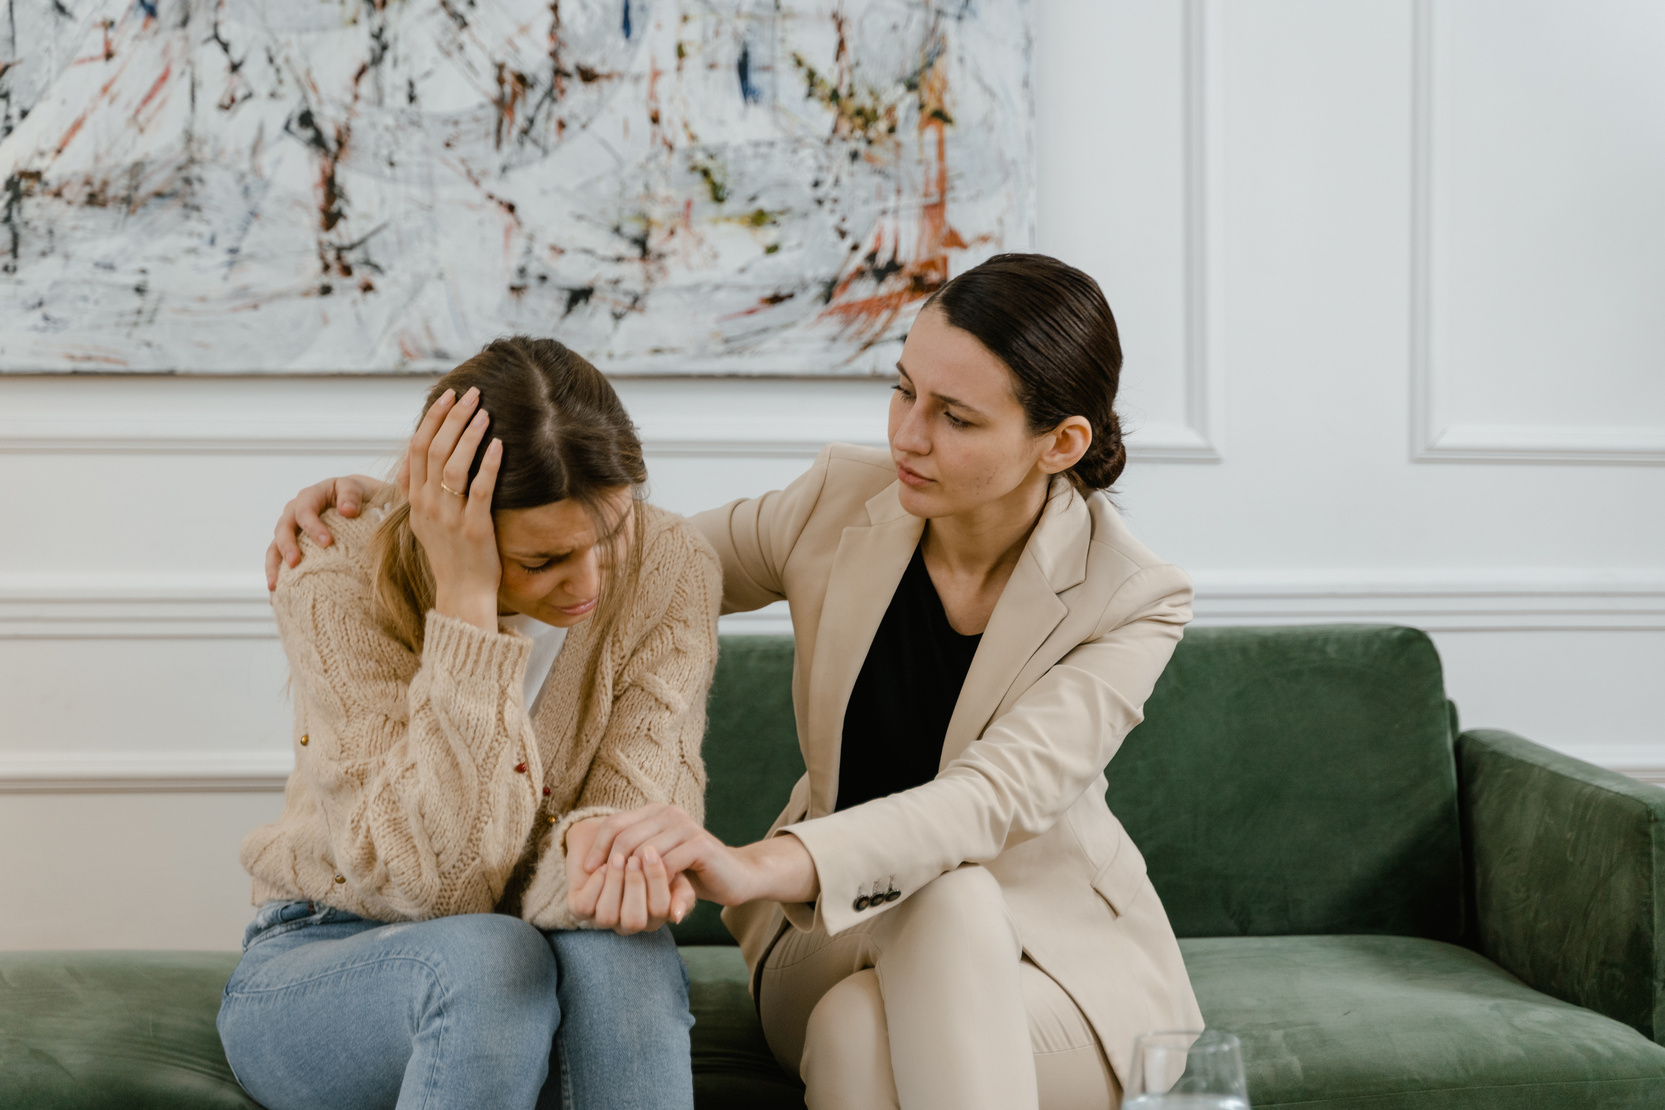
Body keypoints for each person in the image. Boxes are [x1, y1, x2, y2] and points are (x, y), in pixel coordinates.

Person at [268, 254, 1202, 1110]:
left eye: (954, 418)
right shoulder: (842, 503)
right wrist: (415, 505)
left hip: (1048, 961)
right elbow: (616, 553)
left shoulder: (1134, 598)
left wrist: (752, 865)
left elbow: (984, 802)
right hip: (830, 935)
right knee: (886, 962)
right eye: (902, 392)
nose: (907, 437)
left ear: (1061, 442)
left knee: (912, 948)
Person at [224, 336, 721, 1110]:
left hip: (539, 950)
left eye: (609, 536)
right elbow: (434, 886)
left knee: (622, 947)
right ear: (454, 524)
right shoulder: (335, 573)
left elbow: (629, 849)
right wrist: (465, 607)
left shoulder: (670, 564)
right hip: (330, 952)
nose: (587, 583)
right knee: (489, 958)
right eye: (543, 560)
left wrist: (608, 855)